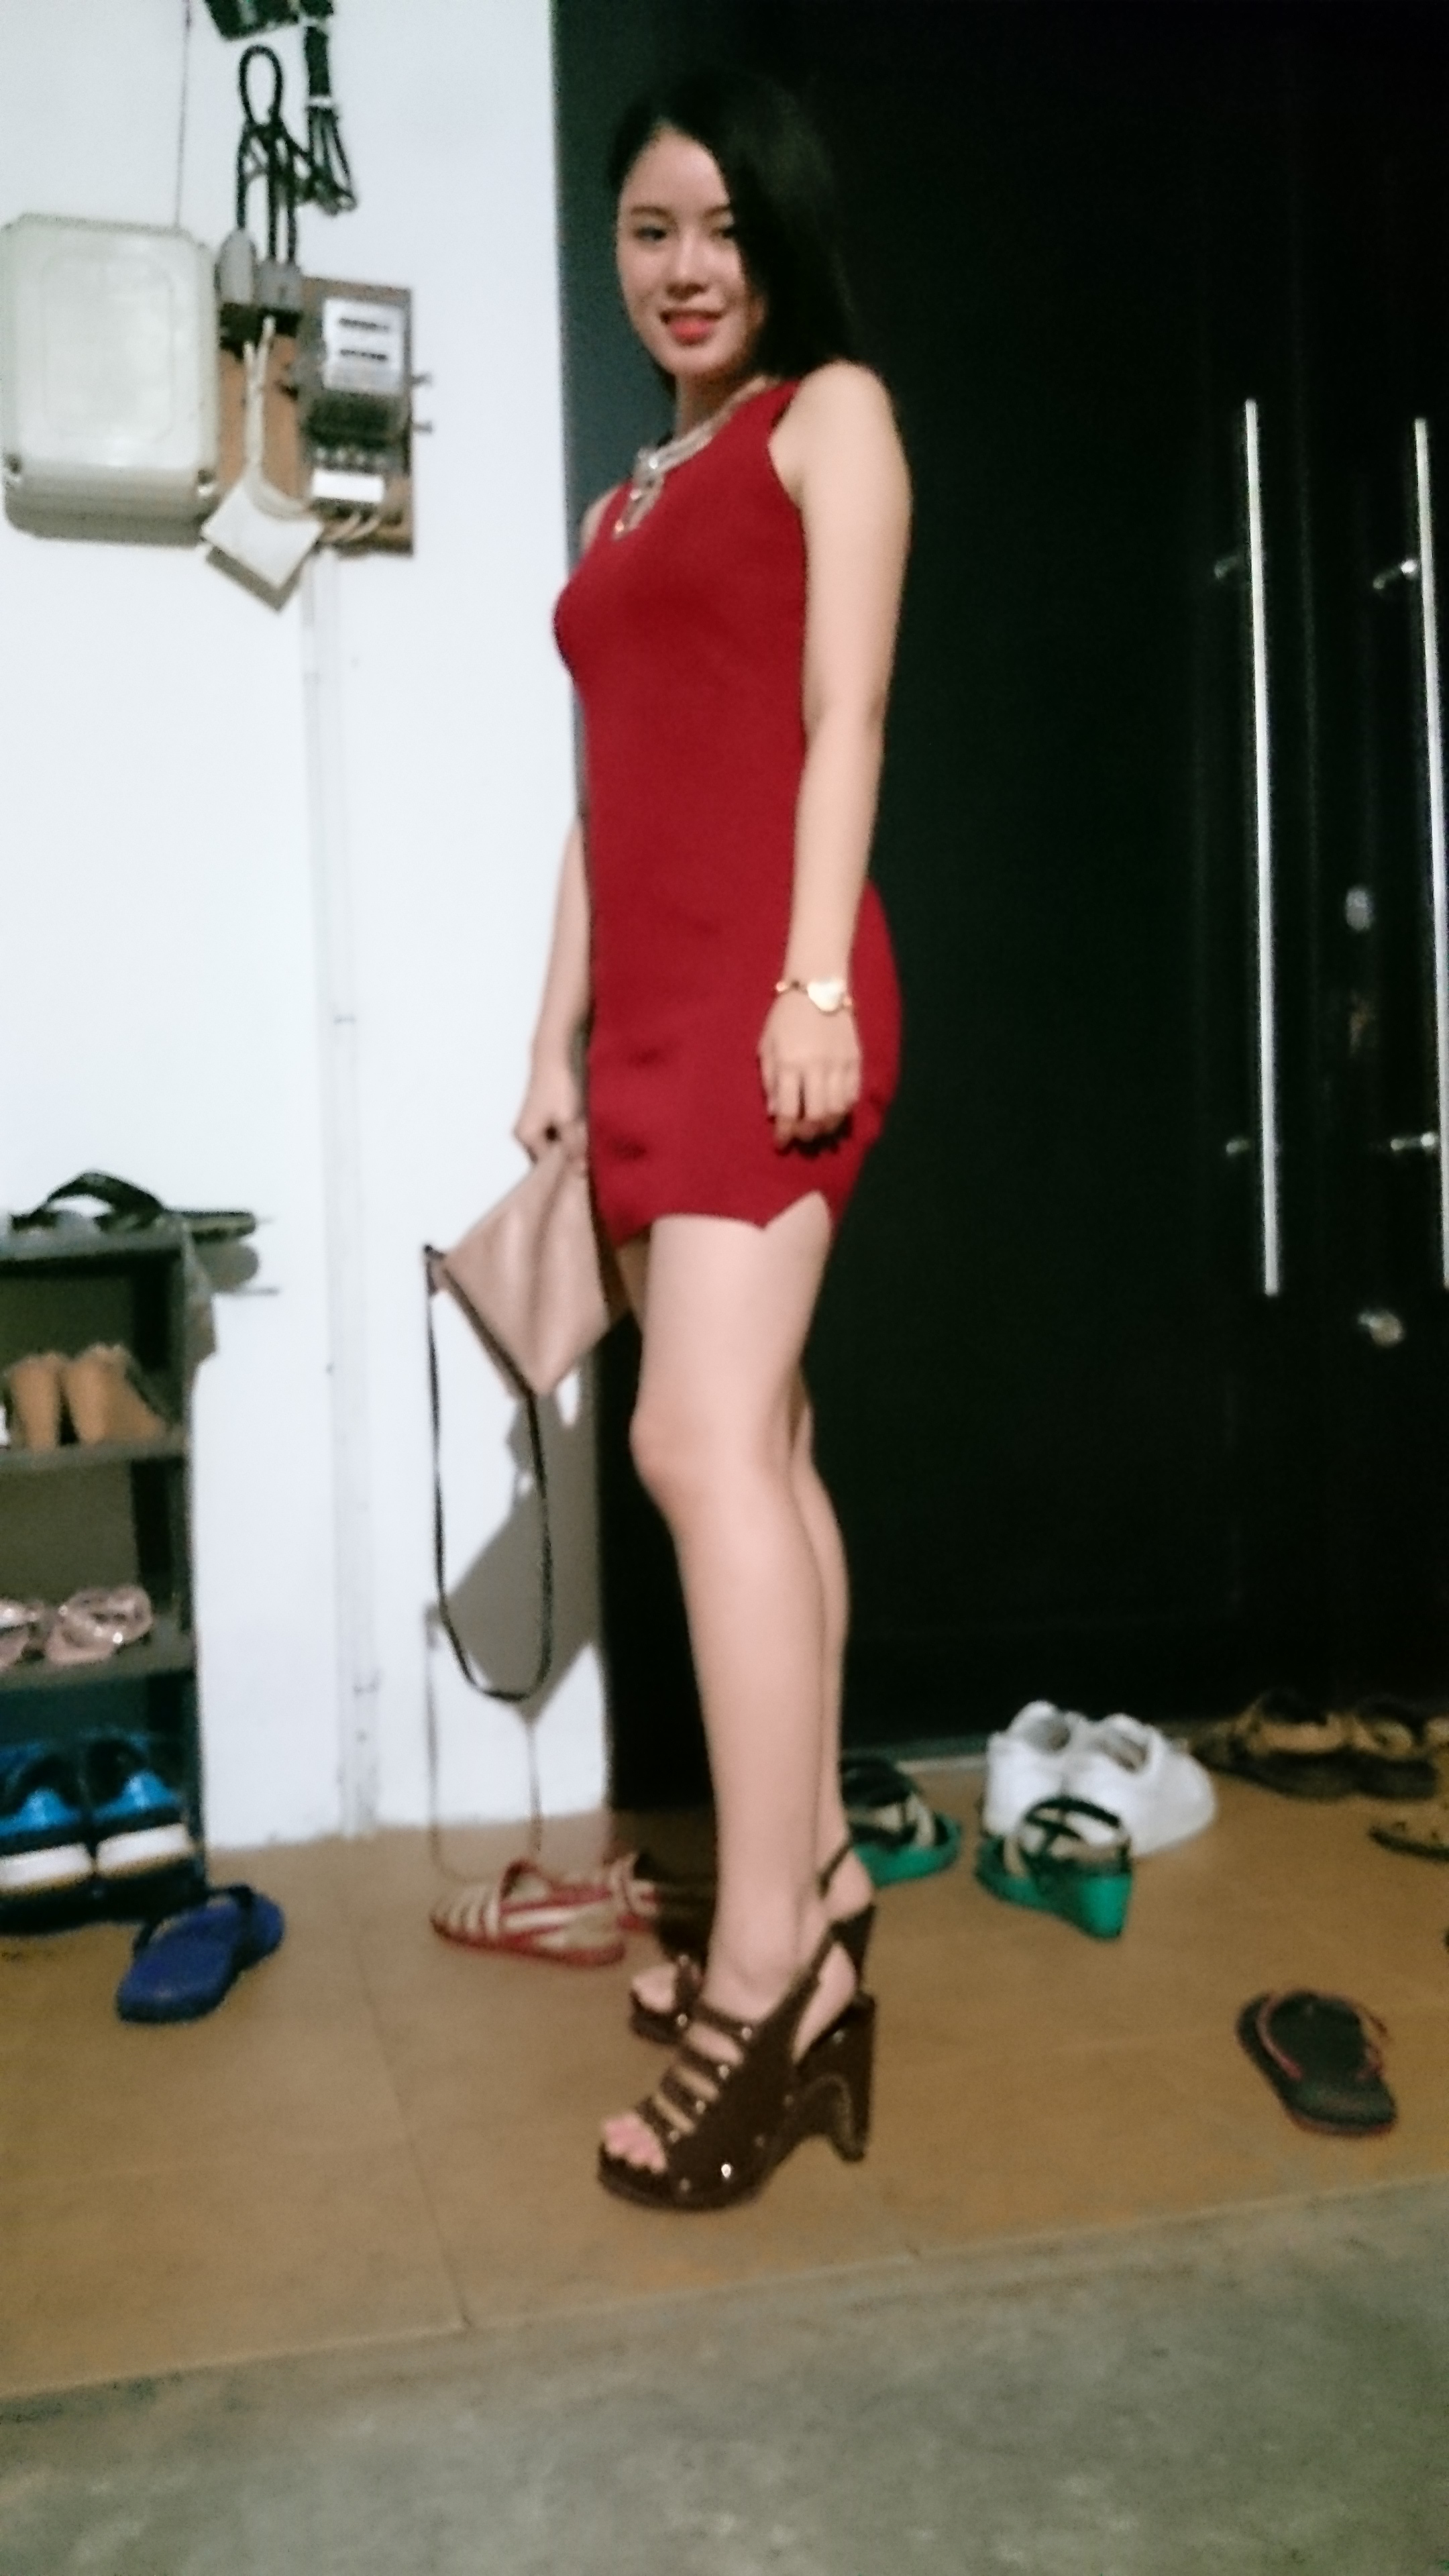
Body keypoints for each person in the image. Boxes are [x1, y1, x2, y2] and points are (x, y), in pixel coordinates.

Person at [517, 66, 910, 2210]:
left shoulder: (829, 417)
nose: (686, 267)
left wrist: (814, 985)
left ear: (783, 237)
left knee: (689, 1446)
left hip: (778, 1000)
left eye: (725, 227)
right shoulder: (623, 504)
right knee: (764, 1445)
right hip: (652, 1025)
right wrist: (556, 1037)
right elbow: (608, 789)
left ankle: (769, 1973)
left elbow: (845, 710)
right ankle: (820, 1877)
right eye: (651, 228)